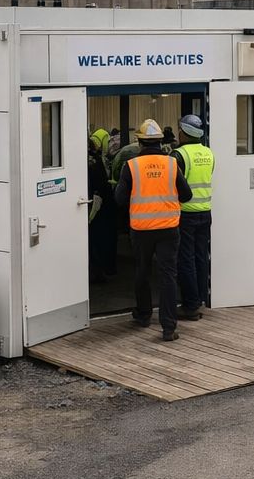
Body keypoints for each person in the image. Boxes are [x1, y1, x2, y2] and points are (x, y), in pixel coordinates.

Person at [114, 118, 191, 341]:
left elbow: (119, 199)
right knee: (168, 276)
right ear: (160, 142)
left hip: (141, 229)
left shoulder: (131, 166)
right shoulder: (171, 164)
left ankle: (144, 315)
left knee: (142, 272)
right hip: (168, 228)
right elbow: (186, 195)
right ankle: (168, 327)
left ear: (140, 142)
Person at [173, 114, 213, 320]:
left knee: (185, 259)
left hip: (185, 214)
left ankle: (190, 305)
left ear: (184, 132)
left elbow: (173, 185)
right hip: (205, 212)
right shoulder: (209, 153)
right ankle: (200, 298)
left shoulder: (178, 155)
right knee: (201, 257)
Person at [86, 128, 117, 282]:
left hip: (91, 205)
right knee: (100, 239)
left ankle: (95, 272)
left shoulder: (88, 159)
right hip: (100, 205)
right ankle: (100, 271)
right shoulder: (96, 159)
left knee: (92, 240)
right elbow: (102, 182)